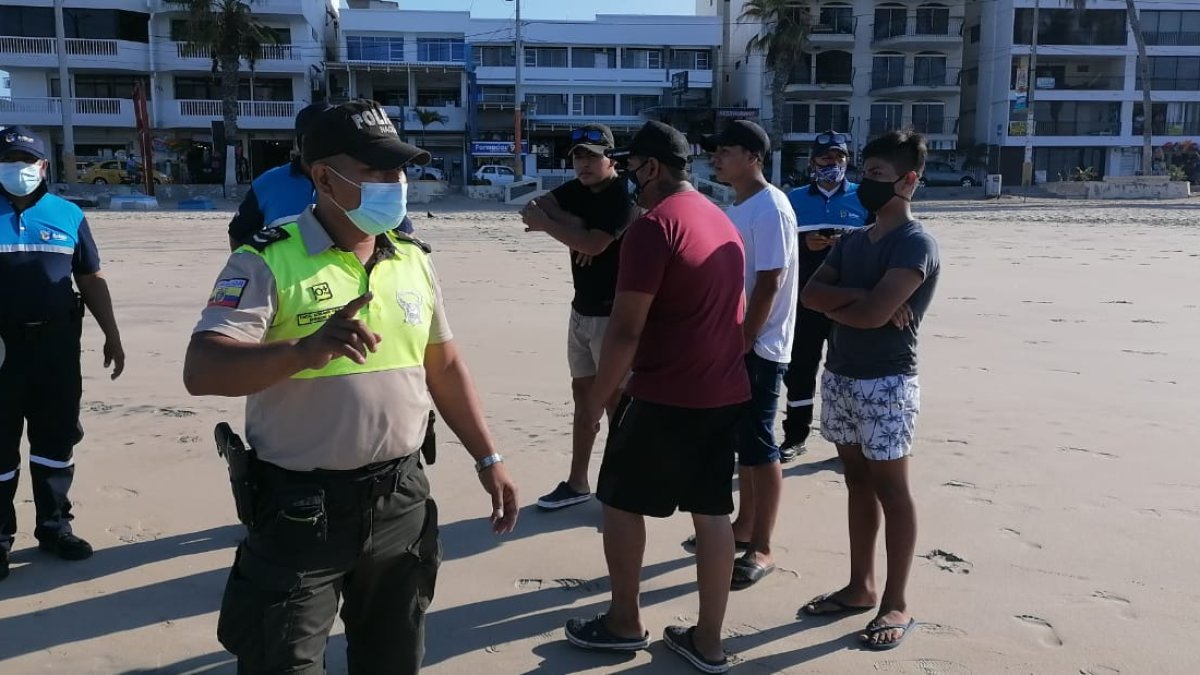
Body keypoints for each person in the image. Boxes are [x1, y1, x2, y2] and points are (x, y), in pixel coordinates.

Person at [182, 100, 519, 673]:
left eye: (399, 171)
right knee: (281, 661)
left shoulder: (412, 258)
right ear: (323, 178)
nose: (396, 184)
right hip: (298, 510)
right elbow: (203, 368)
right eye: (376, 172)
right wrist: (303, 351)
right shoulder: (266, 258)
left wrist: (488, 456)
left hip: (401, 500)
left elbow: (444, 365)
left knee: (393, 658)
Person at [563, 121, 748, 675]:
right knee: (712, 511)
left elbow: (624, 330)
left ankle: (624, 622)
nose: (628, 177)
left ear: (650, 168)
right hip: (723, 387)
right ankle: (708, 642)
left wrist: (596, 400)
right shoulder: (721, 220)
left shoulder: (653, 227)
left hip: (666, 391)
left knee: (619, 500)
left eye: (632, 166)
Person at [797, 130, 940, 651]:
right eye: (866, 172)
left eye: (878, 176)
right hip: (840, 374)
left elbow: (880, 316)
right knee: (856, 481)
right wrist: (858, 295)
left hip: (887, 381)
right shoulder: (856, 241)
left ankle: (895, 601)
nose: (866, 183)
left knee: (892, 490)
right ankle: (861, 585)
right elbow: (810, 295)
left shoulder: (916, 243)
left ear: (908, 181)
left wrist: (856, 304)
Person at [0, 126, 126, 580]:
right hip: (0, 353)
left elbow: (91, 280)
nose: (18, 169)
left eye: (26, 161)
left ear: (43, 167)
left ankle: (54, 528)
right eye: (9, 159)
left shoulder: (68, 215)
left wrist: (112, 334)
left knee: (56, 442)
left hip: (56, 348)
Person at [703, 120, 799, 591]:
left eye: (726, 150)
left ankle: (762, 545)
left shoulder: (771, 207)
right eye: (715, 151)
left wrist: (745, 338)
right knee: (744, 439)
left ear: (754, 157)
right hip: (735, 339)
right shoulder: (737, 204)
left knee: (761, 445)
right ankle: (744, 525)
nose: (716, 158)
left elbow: (770, 281)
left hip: (761, 344)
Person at [519, 124, 634, 510]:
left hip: (614, 316)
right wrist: (577, 230)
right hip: (580, 311)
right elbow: (533, 208)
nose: (583, 164)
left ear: (610, 158)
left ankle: (622, 488)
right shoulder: (576, 192)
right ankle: (577, 482)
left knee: (617, 403)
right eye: (577, 156)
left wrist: (578, 236)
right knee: (583, 399)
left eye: (591, 155)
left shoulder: (623, 194)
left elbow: (594, 244)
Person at [782, 131, 869, 461]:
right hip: (804, 300)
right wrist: (805, 245)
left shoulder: (864, 198)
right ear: (813, 163)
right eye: (826, 158)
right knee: (800, 369)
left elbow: (880, 244)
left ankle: (851, 442)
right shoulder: (794, 199)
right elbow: (781, 248)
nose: (834, 164)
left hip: (849, 301)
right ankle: (795, 435)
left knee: (847, 370)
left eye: (840, 157)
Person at [226, 101, 413, 251]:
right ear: (301, 142)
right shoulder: (268, 183)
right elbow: (239, 234)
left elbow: (400, 233)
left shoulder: (367, 184)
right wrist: (253, 270)